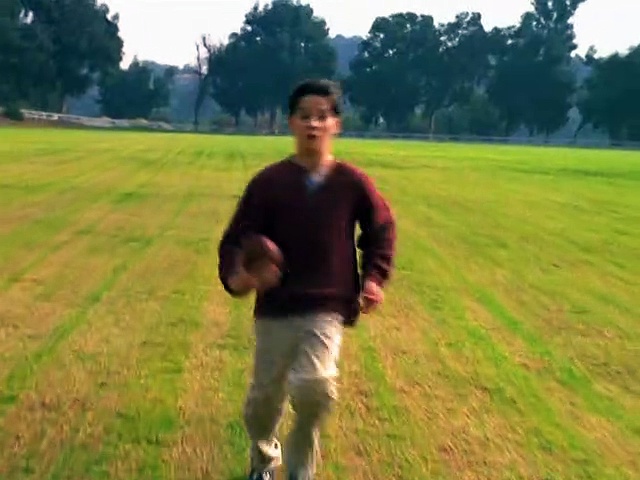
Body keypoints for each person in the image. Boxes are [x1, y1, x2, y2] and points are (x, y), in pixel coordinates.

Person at [217, 79, 397, 480]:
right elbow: (235, 240)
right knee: (263, 403)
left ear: (336, 124)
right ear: (291, 122)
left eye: (322, 116)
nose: (313, 124)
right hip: (276, 308)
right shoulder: (268, 183)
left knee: (316, 388)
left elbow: (381, 228)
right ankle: (264, 460)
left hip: (327, 306)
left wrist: (374, 278)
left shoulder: (352, 182)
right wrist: (242, 277)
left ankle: (300, 472)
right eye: (304, 116)